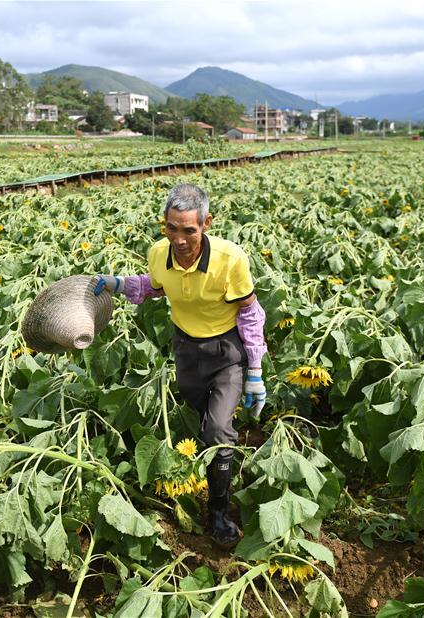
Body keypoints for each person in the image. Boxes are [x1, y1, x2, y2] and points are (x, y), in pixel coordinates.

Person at [93, 183, 267, 548]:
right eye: (172, 228)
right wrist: (118, 283)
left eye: (188, 229)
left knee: (218, 430)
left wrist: (255, 372)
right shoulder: (159, 253)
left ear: (205, 224)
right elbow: (155, 287)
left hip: (226, 353)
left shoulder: (229, 259)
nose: (180, 238)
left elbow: (250, 314)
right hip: (186, 350)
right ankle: (217, 466)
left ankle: (218, 513)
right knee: (199, 419)